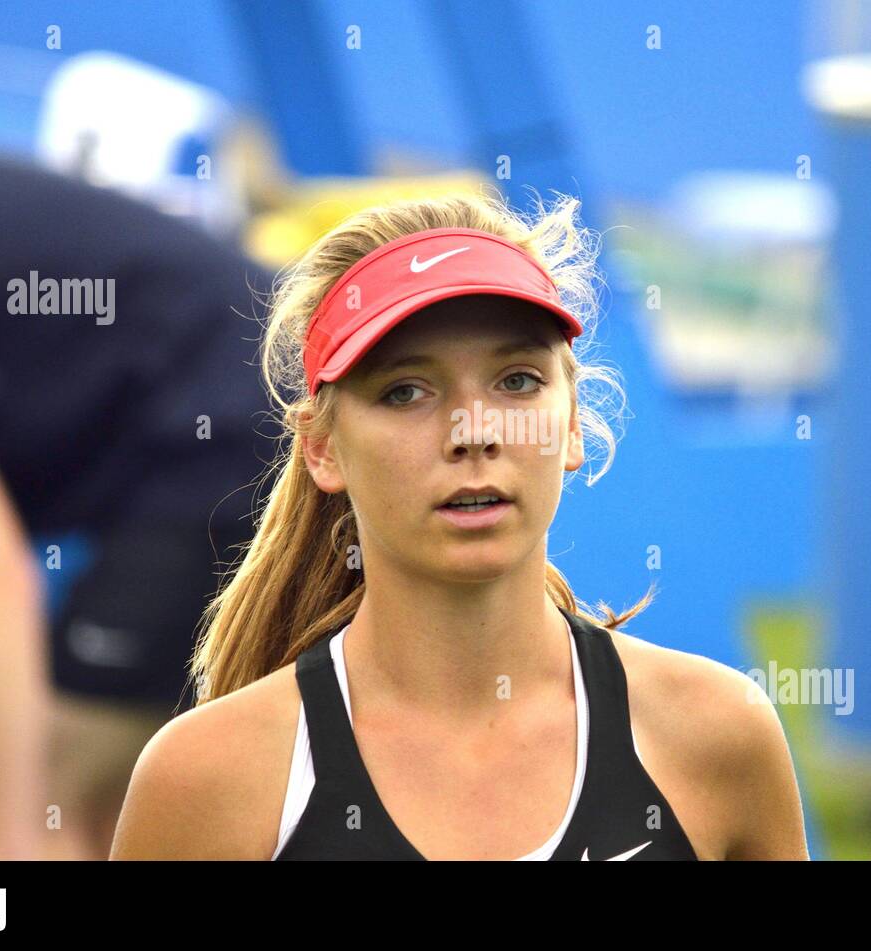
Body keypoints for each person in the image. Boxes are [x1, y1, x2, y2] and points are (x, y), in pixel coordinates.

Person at [110, 191, 809, 860]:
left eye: (516, 381)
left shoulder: (717, 734)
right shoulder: (208, 778)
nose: (474, 431)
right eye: (405, 391)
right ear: (322, 448)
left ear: (571, 423)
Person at [0, 148, 279, 860]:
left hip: (245, 430)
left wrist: (6, 839)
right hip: (204, 447)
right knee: (114, 815)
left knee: (35, 800)